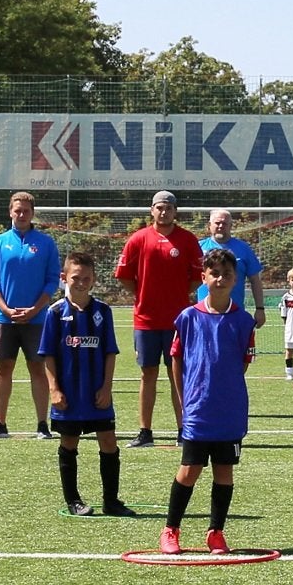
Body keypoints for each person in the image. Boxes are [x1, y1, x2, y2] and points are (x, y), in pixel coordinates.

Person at [161, 248, 259, 555]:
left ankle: (216, 532)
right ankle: (170, 529)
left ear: (235, 279)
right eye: (214, 273)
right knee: (189, 469)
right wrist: (184, 397)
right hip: (198, 410)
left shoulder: (243, 321)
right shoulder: (188, 318)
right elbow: (176, 360)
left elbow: (243, 362)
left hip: (229, 412)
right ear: (203, 277)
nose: (220, 279)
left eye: (227, 274)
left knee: (224, 472)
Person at [39, 252, 133, 517]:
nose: (80, 282)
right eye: (75, 277)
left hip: (96, 393)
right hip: (69, 394)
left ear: (93, 281)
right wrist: (54, 389)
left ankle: (111, 501)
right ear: (64, 278)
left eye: (86, 278)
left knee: (108, 440)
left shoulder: (103, 311)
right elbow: (47, 354)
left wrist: (107, 387)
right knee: (70, 441)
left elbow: (109, 352)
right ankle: (73, 500)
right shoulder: (55, 313)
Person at [116, 190, 203, 450]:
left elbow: (198, 276)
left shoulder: (187, 240)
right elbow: (123, 276)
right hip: (146, 320)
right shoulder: (138, 239)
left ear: (175, 211)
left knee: (180, 375)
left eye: (168, 207)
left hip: (179, 321)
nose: (163, 212)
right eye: (159, 207)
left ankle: (184, 430)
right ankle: (145, 431)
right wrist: (144, 295)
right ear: (151, 210)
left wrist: (177, 294)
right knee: (148, 374)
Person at [0, 191, 61, 440]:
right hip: (4, 318)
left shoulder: (46, 243)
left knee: (37, 369)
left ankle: (42, 425)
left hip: (37, 319)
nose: (21, 214)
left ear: (32, 213)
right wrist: (5, 308)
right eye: (17, 210)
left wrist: (36, 309)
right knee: (4, 368)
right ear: (10, 212)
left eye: (26, 210)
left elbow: (51, 282)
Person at [198, 209, 266, 324]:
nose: (220, 226)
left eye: (224, 223)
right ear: (209, 225)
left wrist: (260, 308)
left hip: (234, 313)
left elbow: (255, 280)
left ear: (231, 226)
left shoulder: (243, 248)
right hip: (204, 314)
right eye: (217, 223)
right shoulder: (198, 248)